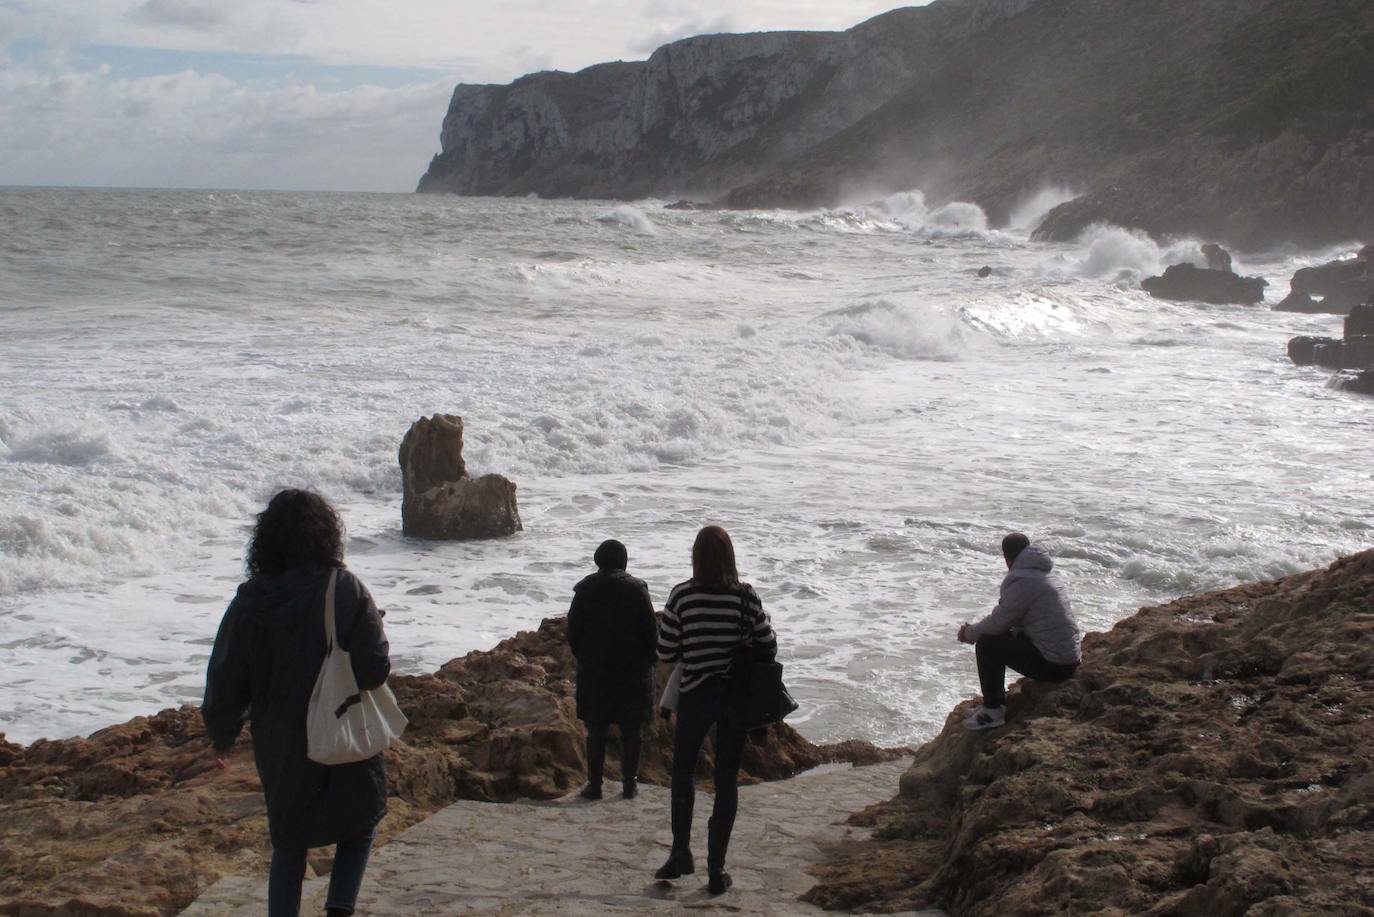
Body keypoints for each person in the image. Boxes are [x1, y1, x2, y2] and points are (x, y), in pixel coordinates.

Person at [202, 489, 392, 917]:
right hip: (341, 723)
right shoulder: (342, 589)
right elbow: (375, 668)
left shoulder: (249, 601)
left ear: (265, 542)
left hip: (281, 741)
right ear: (326, 535)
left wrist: (222, 735)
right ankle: (340, 907)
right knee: (359, 824)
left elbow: (227, 674)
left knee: (289, 841)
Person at [654, 525, 777, 895]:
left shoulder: (682, 597)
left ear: (696, 556)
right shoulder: (745, 597)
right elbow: (768, 644)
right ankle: (716, 870)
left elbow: (665, 652)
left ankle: (680, 852)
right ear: (730, 557)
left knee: (682, 773)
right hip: (734, 699)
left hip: (694, 695)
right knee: (725, 781)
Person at [957, 532, 1081, 731]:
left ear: (1006, 557)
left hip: (1056, 665)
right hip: (1069, 658)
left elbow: (998, 622)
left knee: (988, 643)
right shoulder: (1042, 573)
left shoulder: (1024, 580)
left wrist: (969, 633)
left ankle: (993, 710)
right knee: (1002, 634)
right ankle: (996, 702)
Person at [566, 538, 658, 800]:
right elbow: (650, 631)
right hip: (633, 673)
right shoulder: (637, 588)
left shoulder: (584, 589)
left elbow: (573, 631)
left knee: (596, 730)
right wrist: (650, 660)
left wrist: (585, 657)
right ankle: (630, 783)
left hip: (595, 672)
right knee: (632, 731)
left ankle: (595, 784)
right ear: (623, 561)